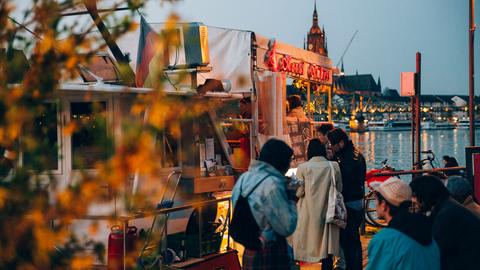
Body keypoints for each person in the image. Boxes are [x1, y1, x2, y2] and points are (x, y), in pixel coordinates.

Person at [231, 138, 297, 270]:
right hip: (270, 251)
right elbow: (287, 226)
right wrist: (291, 196)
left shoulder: (245, 178)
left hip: (250, 249)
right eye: (289, 161)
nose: (289, 165)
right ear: (281, 161)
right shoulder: (272, 183)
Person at [367, 177, 440, 270]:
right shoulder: (428, 234)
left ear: (384, 205)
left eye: (376, 200)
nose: (376, 204)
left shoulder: (385, 239)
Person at [410, 175, 480, 270]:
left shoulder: (447, 215)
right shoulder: (448, 207)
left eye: (414, 196)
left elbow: (433, 250)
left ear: (424, 195)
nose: (412, 200)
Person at [292, 139, 342, 270]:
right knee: (327, 249)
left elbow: (298, 192)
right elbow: (339, 188)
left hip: (308, 214)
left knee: (304, 244)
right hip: (329, 213)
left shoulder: (303, 168)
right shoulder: (334, 166)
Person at [326, 128, 366, 270]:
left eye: (332, 144)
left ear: (341, 143)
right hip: (358, 202)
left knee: (348, 241)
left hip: (348, 204)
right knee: (355, 241)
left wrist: (331, 160)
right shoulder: (357, 154)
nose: (331, 147)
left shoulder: (346, 161)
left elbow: (341, 184)